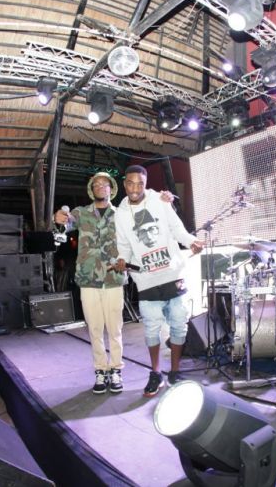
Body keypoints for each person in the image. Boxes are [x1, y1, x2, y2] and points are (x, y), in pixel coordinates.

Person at [113, 165, 204, 397]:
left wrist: (191, 241)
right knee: (152, 329)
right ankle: (155, 373)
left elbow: (177, 229)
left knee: (179, 325)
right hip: (146, 280)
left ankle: (174, 371)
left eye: (140, 184)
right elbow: (123, 245)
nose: (135, 188)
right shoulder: (121, 214)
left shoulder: (160, 202)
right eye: (130, 183)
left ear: (146, 184)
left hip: (173, 275)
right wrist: (122, 259)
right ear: (124, 184)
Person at [53, 172, 128, 394]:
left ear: (111, 189)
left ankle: (116, 369)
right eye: (96, 184)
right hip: (88, 279)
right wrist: (59, 220)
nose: (100, 186)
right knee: (94, 329)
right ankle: (100, 370)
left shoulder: (122, 214)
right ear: (91, 190)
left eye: (105, 184)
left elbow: (134, 239)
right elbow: (64, 226)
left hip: (113, 278)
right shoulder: (81, 213)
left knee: (115, 329)